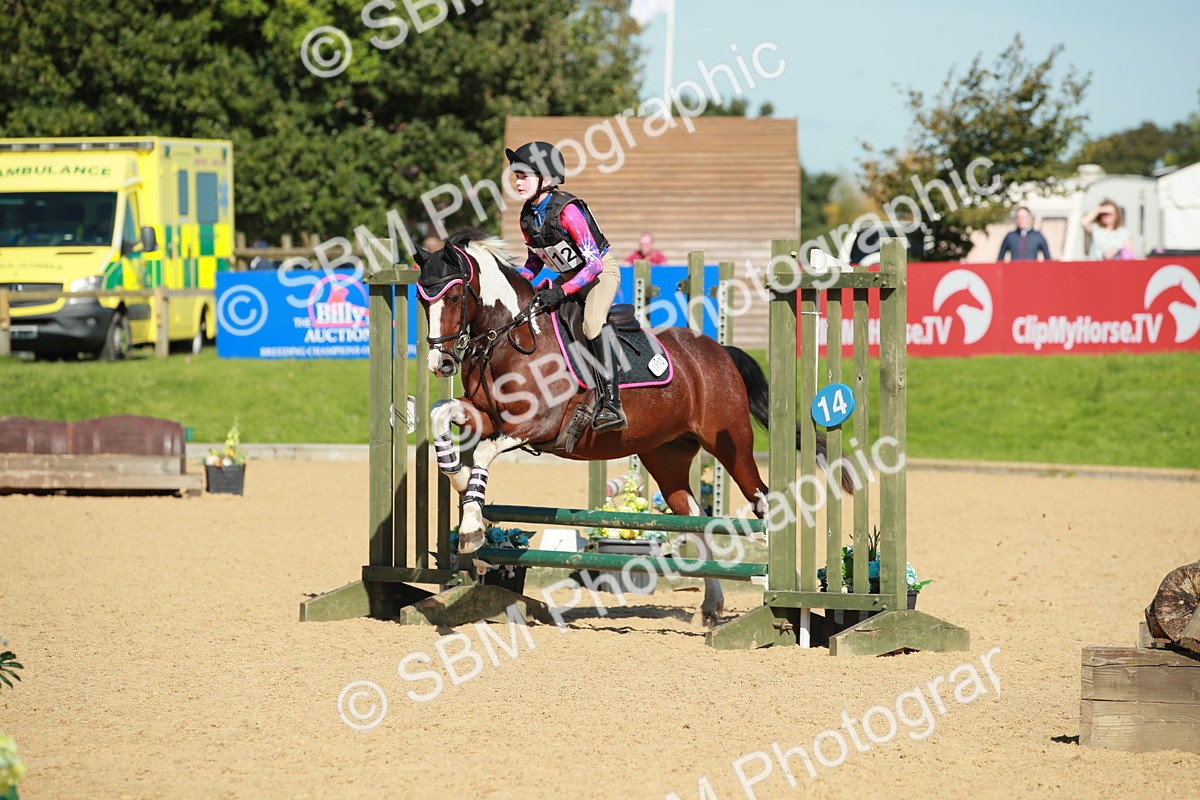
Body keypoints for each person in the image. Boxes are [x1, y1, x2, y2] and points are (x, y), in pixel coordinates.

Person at [507, 140, 626, 432]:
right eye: (517, 176)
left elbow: (595, 263)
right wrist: (518, 281)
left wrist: (561, 291)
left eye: (524, 175)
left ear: (546, 179)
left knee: (592, 324)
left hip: (599, 275)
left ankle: (612, 403)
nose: (518, 182)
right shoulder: (527, 216)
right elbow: (535, 261)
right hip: (568, 277)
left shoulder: (567, 211)